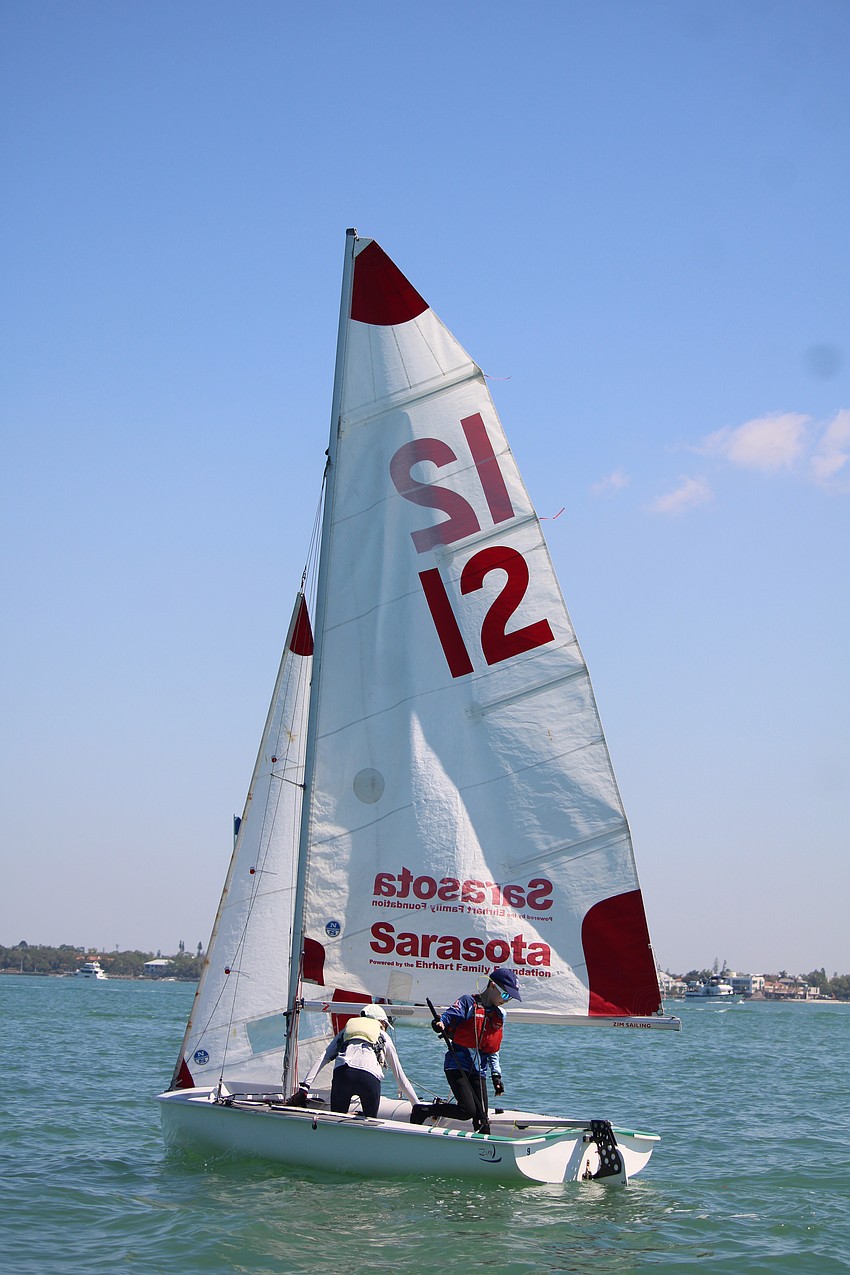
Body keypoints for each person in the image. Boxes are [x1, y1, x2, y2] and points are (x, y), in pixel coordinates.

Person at [411, 967, 521, 1132]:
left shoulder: (500, 1015)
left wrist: (496, 1075)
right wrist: (439, 1023)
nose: (506, 1000)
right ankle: (424, 1110)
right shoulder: (468, 1002)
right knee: (467, 1111)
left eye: (510, 998)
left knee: (482, 1119)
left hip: (479, 1071)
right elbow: (448, 1016)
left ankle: (485, 1144)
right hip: (457, 1065)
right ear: (492, 986)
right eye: (505, 995)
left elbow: (493, 1048)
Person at [286, 1003, 418, 1119]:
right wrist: (416, 1105)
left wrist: (304, 1089)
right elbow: (401, 1079)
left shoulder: (346, 1032)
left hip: (343, 1074)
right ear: (381, 1022)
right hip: (369, 1078)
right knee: (370, 1121)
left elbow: (323, 1057)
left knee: (336, 1120)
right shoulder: (383, 1036)